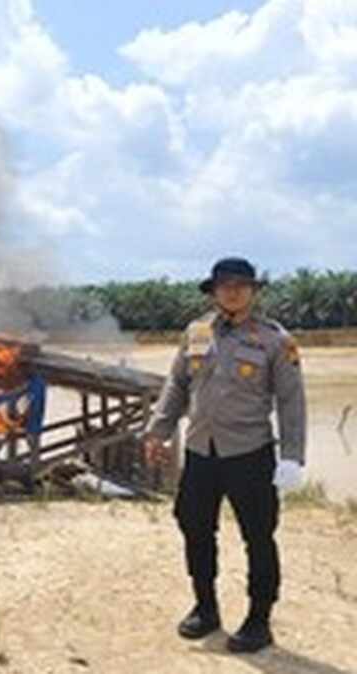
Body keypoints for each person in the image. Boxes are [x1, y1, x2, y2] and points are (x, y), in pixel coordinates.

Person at [143, 257, 307, 653]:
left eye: (240, 284)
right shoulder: (196, 333)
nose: (232, 291)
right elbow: (176, 386)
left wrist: (292, 456)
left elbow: (291, 402)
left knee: (259, 535)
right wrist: (158, 431)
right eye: (224, 285)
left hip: (250, 453)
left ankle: (259, 619)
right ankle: (205, 606)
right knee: (194, 527)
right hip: (202, 451)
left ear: (253, 291)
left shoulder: (276, 341)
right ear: (214, 292)